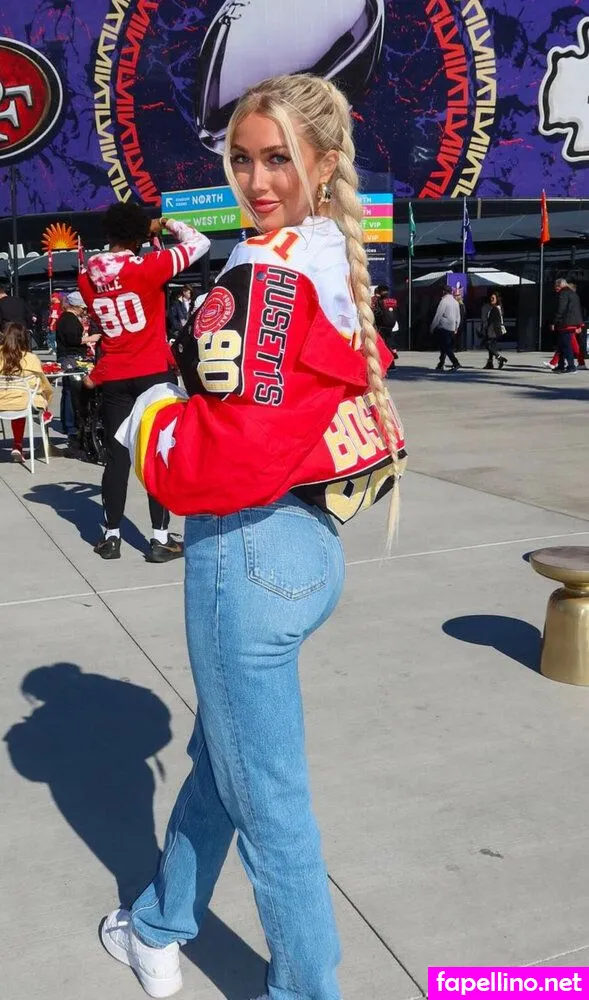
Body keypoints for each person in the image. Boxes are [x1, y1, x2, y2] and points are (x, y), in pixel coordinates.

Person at [99, 73, 406, 1000]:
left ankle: (305, 987)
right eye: (241, 158)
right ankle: (159, 924)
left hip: (247, 555)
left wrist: (149, 415)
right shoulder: (330, 257)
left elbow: (223, 459)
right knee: (224, 763)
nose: (256, 179)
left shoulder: (266, 273)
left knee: (269, 804)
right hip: (307, 548)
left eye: (277, 158)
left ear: (322, 161)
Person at [78, 203, 210, 561]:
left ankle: (111, 536)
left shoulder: (86, 279)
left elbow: (109, 273)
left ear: (109, 234)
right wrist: (166, 223)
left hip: (115, 372)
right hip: (153, 370)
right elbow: (200, 243)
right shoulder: (149, 267)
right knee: (157, 452)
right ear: (137, 237)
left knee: (117, 457)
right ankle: (159, 538)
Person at [0, 322, 53, 462]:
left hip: (2, 400)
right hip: (23, 402)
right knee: (29, 398)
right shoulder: (30, 358)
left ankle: (18, 445)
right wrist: (47, 399)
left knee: (18, 398)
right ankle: (18, 444)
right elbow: (43, 384)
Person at [55, 292, 97, 445]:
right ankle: (70, 424)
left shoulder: (67, 318)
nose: (84, 311)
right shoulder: (68, 319)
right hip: (70, 357)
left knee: (69, 391)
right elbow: (72, 339)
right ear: (76, 306)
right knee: (71, 391)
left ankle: (69, 423)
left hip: (69, 356)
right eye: (83, 308)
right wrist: (90, 338)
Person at [551, 277, 583, 373]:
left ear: (560, 285)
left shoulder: (563, 293)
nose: (556, 288)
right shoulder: (573, 293)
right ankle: (561, 365)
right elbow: (577, 309)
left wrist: (554, 322)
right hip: (573, 323)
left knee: (566, 346)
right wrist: (579, 324)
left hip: (565, 323)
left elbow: (561, 309)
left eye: (556, 286)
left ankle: (571, 366)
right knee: (561, 345)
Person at [431, 284, 461, 371]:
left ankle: (455, 363)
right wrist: (456, 327)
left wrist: (432, 327)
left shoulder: (443, 302)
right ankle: (441, 363)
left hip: (443, 328)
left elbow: (438, 315)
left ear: (444, 291)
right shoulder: (456, 302)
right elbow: (458, 316)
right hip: (452, 328)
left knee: (445, 347)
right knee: (445, 346)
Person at [372, 283, 399, 371]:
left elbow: (376, 313)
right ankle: (392, 363)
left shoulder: (379, 301)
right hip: (391, 326)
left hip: (381, 326)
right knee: (389, 344)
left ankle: (387, 364)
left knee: (382, 346)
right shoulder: (393, 301)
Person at [481, 292, 508, 370]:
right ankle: (490, 363)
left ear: (497, 299)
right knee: (492, 346)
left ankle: (499, 358)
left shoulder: (495, 308)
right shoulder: (498, 307)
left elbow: (493, 321)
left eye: (493, 298)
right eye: (491, 298)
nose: (491, 299)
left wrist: (486, 329)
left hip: (493, 330)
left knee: (487, 345)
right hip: (495, 330)